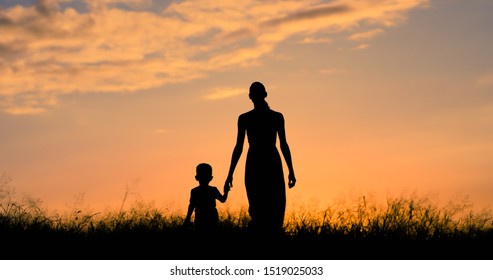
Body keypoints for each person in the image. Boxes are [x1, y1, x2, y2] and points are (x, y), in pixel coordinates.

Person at [224, 81, 296, 236]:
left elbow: (284, 144)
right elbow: (239, 147)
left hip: (269, 161)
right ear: (251, 96)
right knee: (257, 205)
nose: (255, 96)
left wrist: (291, 170)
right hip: (256, 162)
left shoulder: (276, 117)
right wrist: (230, 173)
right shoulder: (245, 118)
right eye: (253, 94)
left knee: (275, 203)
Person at [184, 163, 230, 234]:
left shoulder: (195, 191)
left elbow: (191, 205)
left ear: (196, 177)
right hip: (208, 216)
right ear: (211, 178)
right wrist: (226, 192)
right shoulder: (212, 190)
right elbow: (223, 199)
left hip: (202, 216)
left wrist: (187, 218)